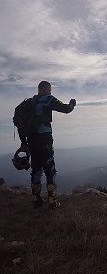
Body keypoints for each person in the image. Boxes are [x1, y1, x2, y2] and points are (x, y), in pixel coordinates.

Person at [19, 81, 76, 209]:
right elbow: (65, 109)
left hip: (31, 140)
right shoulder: (48, 99)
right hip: (45, 139)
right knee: (50, 170)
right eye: (49, 90)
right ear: (44, 89)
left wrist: (24, 142)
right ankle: (53, 201)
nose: (50, 92)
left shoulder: (30, 103)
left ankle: (36, 200)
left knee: (36, 169)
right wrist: (72, 104)